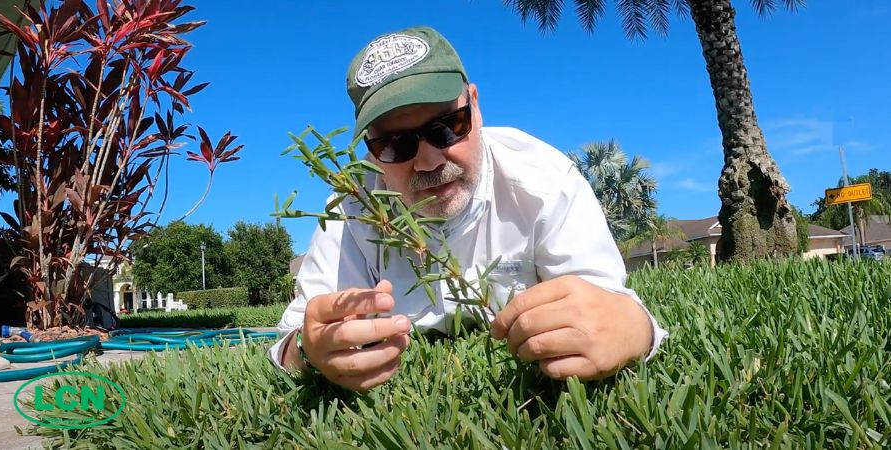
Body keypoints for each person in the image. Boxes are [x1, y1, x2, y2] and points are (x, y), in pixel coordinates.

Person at [268, 26, 667, 391]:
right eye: (394, 144)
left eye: (447, 127)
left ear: (475, 106)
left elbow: (607, 308)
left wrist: (637, 331)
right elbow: (291, 337)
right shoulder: (350, 208)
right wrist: (307, 349)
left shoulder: (545, 181)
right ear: (370, 153)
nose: (428, 161)